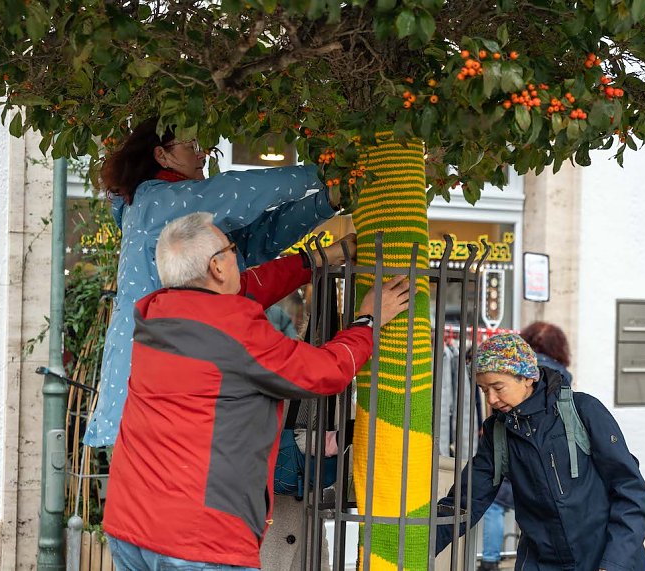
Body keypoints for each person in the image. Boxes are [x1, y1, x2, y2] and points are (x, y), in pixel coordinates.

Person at [103, 212, 410, 570]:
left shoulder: (157, 312)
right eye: (232, 250)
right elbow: (325, 372)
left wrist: (317, 261)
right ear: (217, 267)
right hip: (200, 541)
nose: (238, 258)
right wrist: (368, 320)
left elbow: (248, 287)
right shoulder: (236, 332)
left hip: (130, 523)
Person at [85, 117, 341, 448]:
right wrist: (321, 173)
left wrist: (326, 201)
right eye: (191, 145)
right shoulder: (156, 202)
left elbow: (255, 241)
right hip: (153, 387)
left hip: (161, 382)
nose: (203, 154)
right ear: (161, 156)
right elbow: (233, 192)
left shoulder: (175, 214)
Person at [436, 333, 645, 571]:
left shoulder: (585, 410)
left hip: (605, 559)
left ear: (527, 377)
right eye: (484, 390)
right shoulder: (498, 432)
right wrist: (414, 546)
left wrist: (614, 562)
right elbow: (465, 501)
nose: (492, 399)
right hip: (540, 563)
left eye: (498, 387)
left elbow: (631, 492)